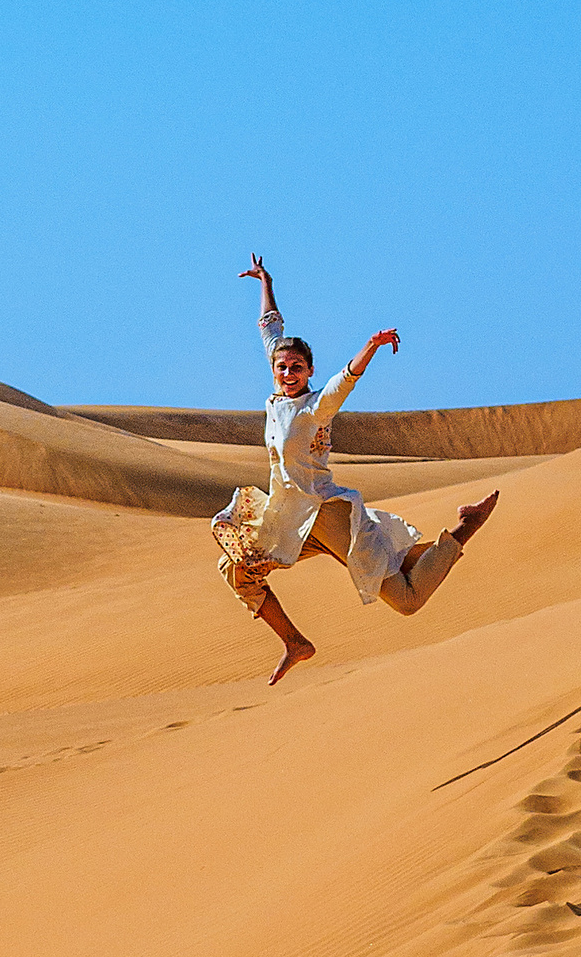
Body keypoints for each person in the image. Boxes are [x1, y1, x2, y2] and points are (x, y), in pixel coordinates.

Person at [213, 257, 498, 683]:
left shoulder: (314, 408)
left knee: (405, 599)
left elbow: (344, 381)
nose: (288, 372)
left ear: (309, 371)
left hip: (325, 515)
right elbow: (270, 328)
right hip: (288, 519)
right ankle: (295, 643)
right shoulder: (277, 398)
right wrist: (266, 283)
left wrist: (371, 345)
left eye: (297, 367)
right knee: (237, 569)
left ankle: (462, 530)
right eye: (282, 367)